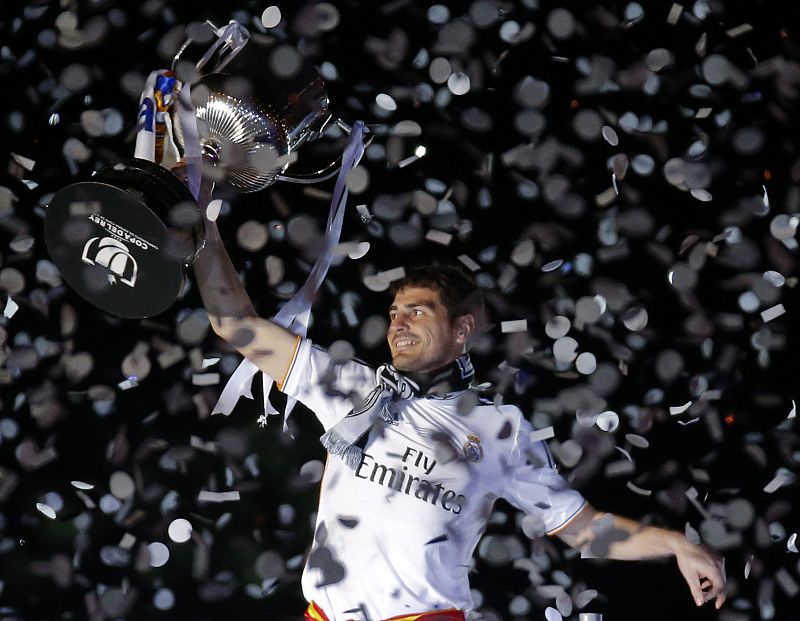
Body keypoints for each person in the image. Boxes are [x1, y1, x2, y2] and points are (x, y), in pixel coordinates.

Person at [192, 199, 727, 621]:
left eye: (418, 312)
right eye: (394, 312)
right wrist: (196, 219)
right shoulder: (350, 387)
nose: (398, 324)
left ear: (461, 330)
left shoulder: (498, 430)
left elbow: (582, 529)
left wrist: (676, 543)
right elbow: (234, 323)